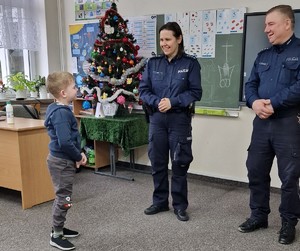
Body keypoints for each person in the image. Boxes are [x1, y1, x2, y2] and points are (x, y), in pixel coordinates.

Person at [238, 5, 300, 245]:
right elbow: (250, 84)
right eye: (265, 25)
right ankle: (258, 215)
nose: (266, 30)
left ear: (287, 23)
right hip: (261, 124)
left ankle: (288, 222)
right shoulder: (263, 55)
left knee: (289, 177)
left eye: (270, 24)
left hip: (288, 123)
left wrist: (273, 103)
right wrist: (254, 103)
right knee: (255, 170)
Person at [139, 22, 202, 221]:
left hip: (179, 121)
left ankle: (180, 206)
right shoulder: (153, 63)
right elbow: (143, 90)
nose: (163, 44)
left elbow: (195, 92)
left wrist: (173, 102)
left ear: (178, 39)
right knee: (157, 162)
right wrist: (158, 102)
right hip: (157, 120)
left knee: (179, 164)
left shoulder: (190, 64)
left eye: (167, 39)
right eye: (161, 40)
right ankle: (159, 202)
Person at [44, 72, 87, 250]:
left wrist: (77, 154)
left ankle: (59, 226)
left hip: (62, 161)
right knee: (65, 198)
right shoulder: (61, 114)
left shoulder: (55, 108)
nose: (76, 89)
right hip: (62, 162)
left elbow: (68, 140)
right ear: (63, 92)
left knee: (64, 197)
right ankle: (56, 234)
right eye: (74, 87)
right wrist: (78, 156)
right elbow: (65, 142)